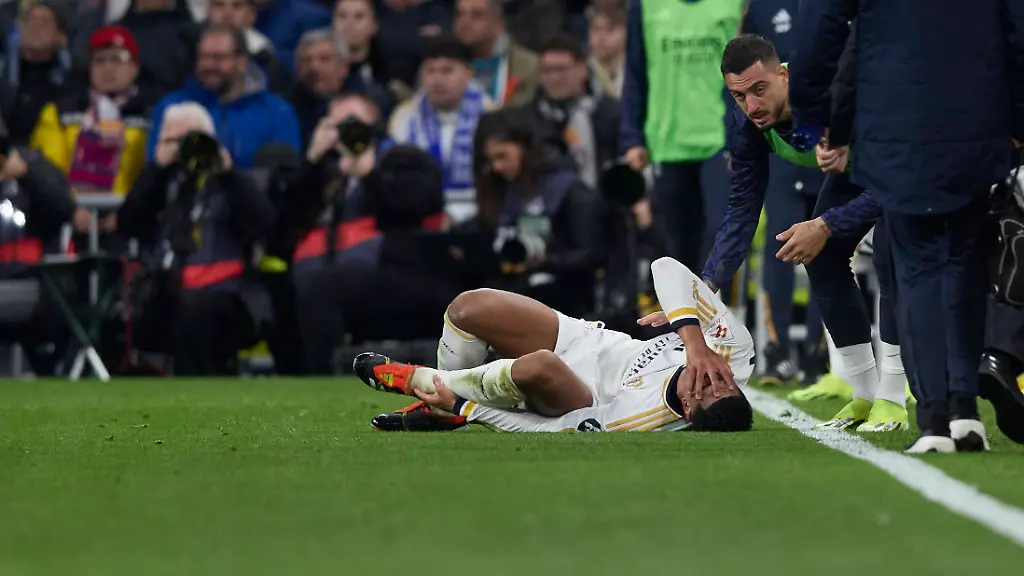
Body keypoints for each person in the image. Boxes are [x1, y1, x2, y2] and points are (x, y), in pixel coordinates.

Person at [790, 1, 1024, 452]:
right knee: (965, 263)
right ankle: (964, 412)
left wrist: (827, 121)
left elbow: (828, 32)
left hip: (897, 124)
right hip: (976, 116)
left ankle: (934, 420)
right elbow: (1017, 30)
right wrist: (1016, 116)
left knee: (916, 269)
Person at [704, 35, 910, 433]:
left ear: (784, 76)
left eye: (759, 89)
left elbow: (896, 181)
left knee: (892, 254)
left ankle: (893, 398)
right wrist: (709, 282)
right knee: (822, 256)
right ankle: (864, 395)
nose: (751, 106)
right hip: (858, 172)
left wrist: (827, 224)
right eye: (739, 96)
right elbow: (743, 207)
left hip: (903, 163)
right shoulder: (746, 123)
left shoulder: (830, 92)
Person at [360, 256, 754, 433]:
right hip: (588, 340)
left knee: (541, 364)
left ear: (687, 408)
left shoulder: (640, 418)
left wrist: (469, 408)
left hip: (576, 395)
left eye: (706, 390)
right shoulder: (733, 353)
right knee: (468, 307)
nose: (712, 377)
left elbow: (551, 430)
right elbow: (665, 267)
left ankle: (421, 383)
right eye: (725, 383)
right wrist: (691, 333)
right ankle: (439, 408)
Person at [119, 102, 275, 375]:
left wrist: (228, 173)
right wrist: (156, 169)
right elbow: (128, 224)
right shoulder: (162, 183)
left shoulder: (232, 183)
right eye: (174, 140)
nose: (185, 149)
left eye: (192, 140)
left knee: (192, 307)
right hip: (165, 292)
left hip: (229, 295)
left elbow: (266, 225)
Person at [740, 0, 828, 387]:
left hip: (826, 143)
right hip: (782, 147)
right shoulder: (762, 8)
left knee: (829, 248)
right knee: (779, 246)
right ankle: (776, 352)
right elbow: (742, 73)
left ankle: (819, 353)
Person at [619, 0, 744, 273]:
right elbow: (635, 70)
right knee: (675, 247)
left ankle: (711, 297)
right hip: (667, 143)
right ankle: (683, 302)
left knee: (717, 232)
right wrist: (631, 137)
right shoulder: (646, 6)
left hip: (719, 139)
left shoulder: (734, 4)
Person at [470, 107, 607, 317]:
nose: (496, 167)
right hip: (506, 292)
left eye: (502, 156)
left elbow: (593, 253)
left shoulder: (566, 189)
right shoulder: (498, 188)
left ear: (523, 146)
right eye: (490, 160)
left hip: (562, 298)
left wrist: (545, 262)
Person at [145, 24, 302, 170]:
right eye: (203, 57)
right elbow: (155, 164)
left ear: (241, 61)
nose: (208, 65)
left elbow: (285, 173)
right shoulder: (173, 106)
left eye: (218, 58)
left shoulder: (277, 113)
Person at [389, 36, 497, 225]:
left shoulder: (491, 115)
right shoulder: (403, 118)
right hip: (420, 215)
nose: (437, 80)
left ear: (469, 73)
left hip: (481, 214)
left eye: (447, 71)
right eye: (430, 71)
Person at [453, 0, 538, 107]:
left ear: (498, 24)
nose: (464, 22)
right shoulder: (439, 62)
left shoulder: (529, 66)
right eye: (460, 14)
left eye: (477, 15)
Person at [206, 0, 291, 93]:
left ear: (251, 15)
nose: (227, 14)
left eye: (237, 6)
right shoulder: (194, 46)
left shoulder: (265, 58)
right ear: (208, 12)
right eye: (219, 5)